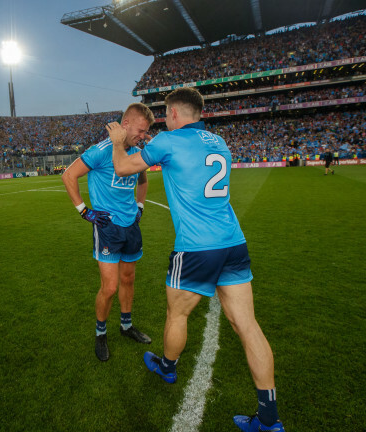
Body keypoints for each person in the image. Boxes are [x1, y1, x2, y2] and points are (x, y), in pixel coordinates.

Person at [107, 87, 285, 432]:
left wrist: (118, 140)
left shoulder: (166, 141)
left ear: (173, 113)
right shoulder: (219, 143)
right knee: (248, 327)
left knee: (177, 314)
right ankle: (268, 418)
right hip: (233, 242)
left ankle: (168, 367)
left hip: (196, 247)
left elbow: (123, 167)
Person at [62, 102, 155, 362]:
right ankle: (100, 333)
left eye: (146, 132)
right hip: (107, 228)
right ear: (124, 125)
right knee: (110, 287)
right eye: (140, 130)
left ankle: (126, 326)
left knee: (128, 280)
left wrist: (140, 205)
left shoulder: (136, 152)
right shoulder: (101, 151)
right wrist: (84, 211)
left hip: (131, 226)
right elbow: (69, 175)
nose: (143, 136)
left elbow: (143, 179)